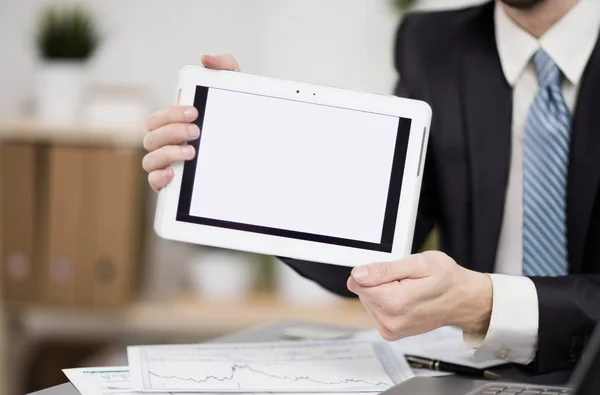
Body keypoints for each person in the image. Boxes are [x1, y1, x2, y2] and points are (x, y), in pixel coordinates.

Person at [142, 0, 600, 374]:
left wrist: (487, 303)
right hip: (476, 375)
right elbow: (380, 249)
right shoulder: (433, 43)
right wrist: (256, 165)